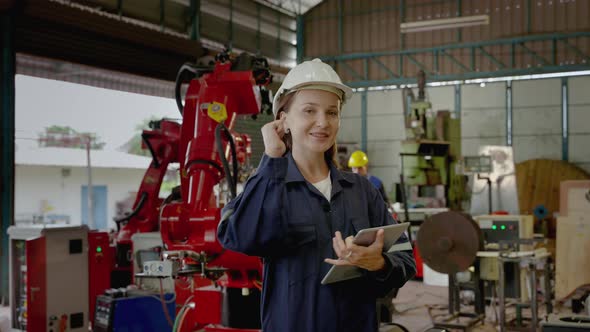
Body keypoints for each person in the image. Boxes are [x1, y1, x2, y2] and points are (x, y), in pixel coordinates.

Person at [217, 59, 416, 332]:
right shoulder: (267, 186)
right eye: (309, 110)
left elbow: (405, 257)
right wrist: (272, 159)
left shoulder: (361, 191)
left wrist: (379, 263)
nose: (323, 122)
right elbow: (239, 237)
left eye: (332, 112)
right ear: (283, 120)